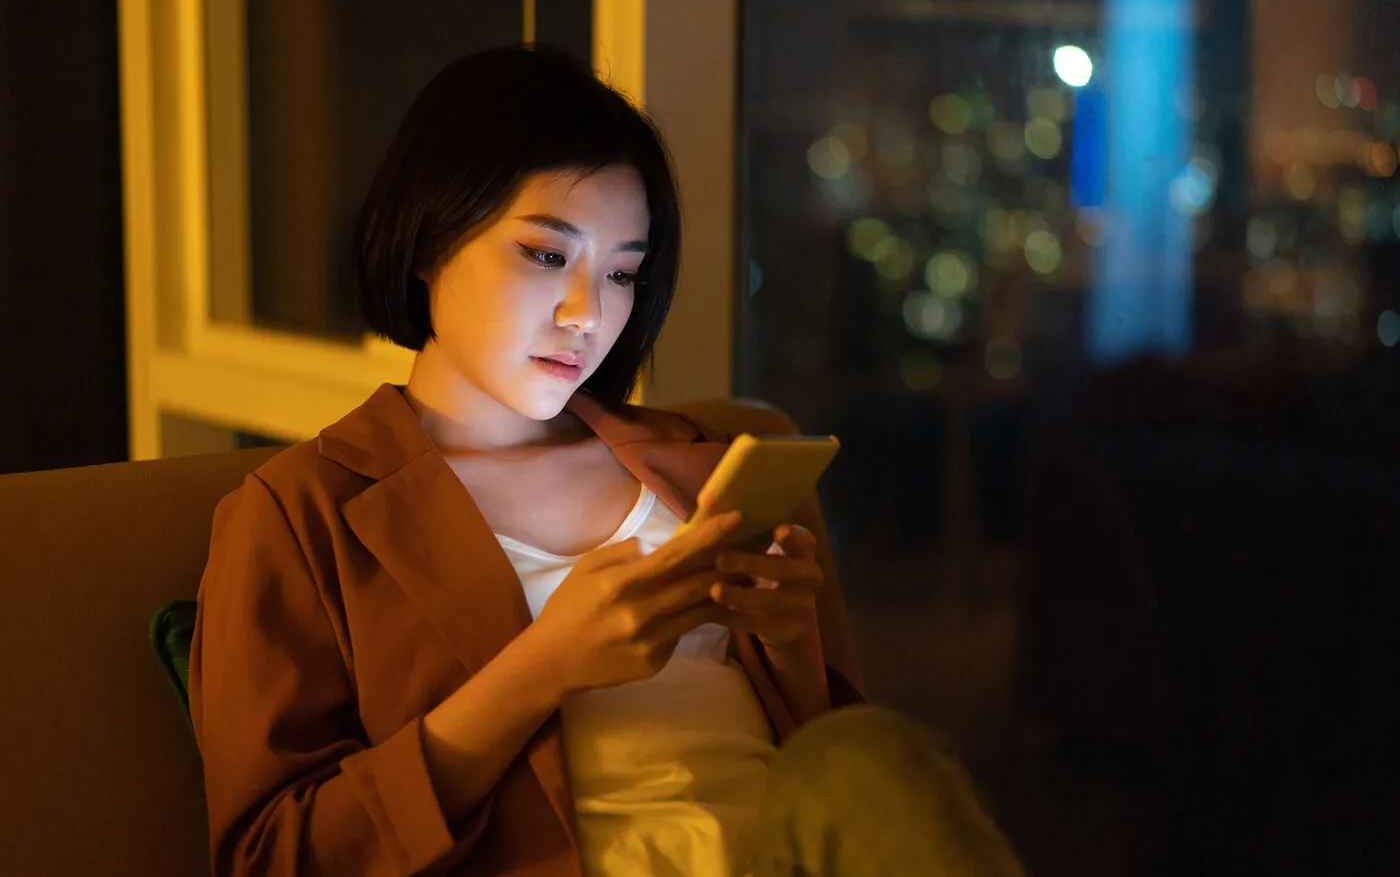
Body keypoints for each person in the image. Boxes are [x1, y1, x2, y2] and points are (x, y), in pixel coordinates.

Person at [189, 44, 1024, 877]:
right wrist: (540, 669)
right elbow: (272, 860)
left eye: (624, 272)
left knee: (878, 752)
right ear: (425, 238)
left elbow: (839, 776)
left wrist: (789, 646)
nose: (590, 313)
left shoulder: (705, 468)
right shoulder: (299, 516)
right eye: (547, 254)